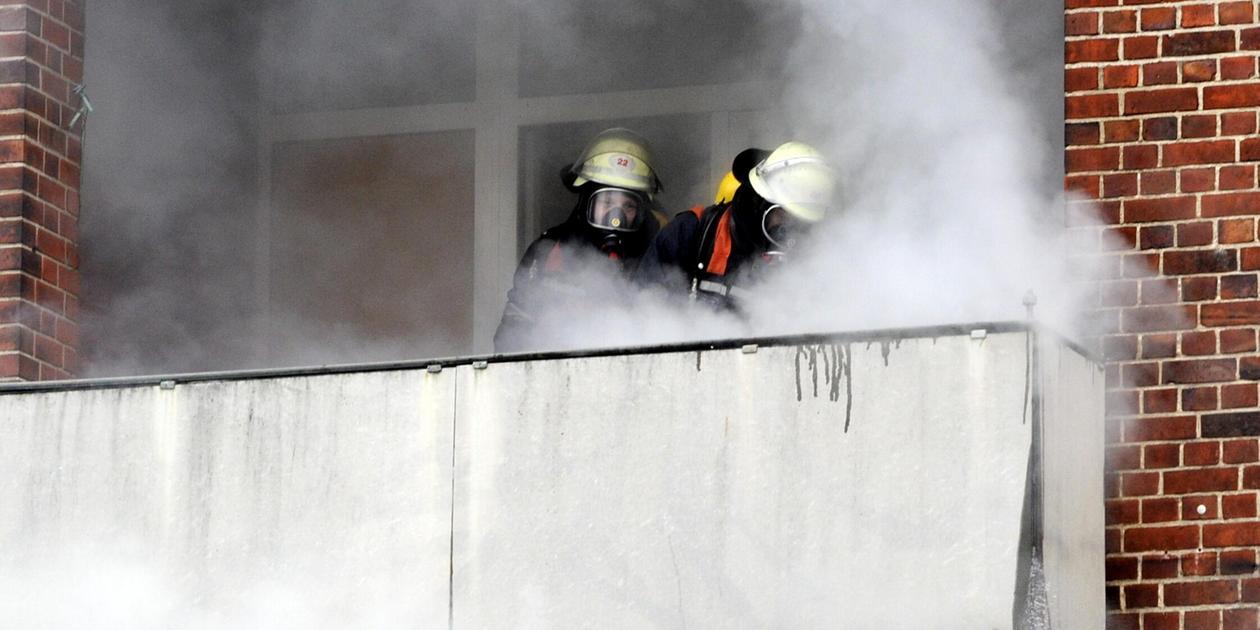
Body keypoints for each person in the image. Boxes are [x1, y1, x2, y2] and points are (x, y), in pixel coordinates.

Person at [494, 128, 664, 352]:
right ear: (586, 202)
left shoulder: (655, 253)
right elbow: (515, 326)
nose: (616, 216)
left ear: (641, 211)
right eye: (607, 202)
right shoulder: (551, 249)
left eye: (628, 206)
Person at [635, 141, 835, 310]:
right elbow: (642, 313)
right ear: (760, 203)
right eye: (783, 215)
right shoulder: (689, 233)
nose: (790, 230)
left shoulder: (818, 258)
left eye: (801, 222)